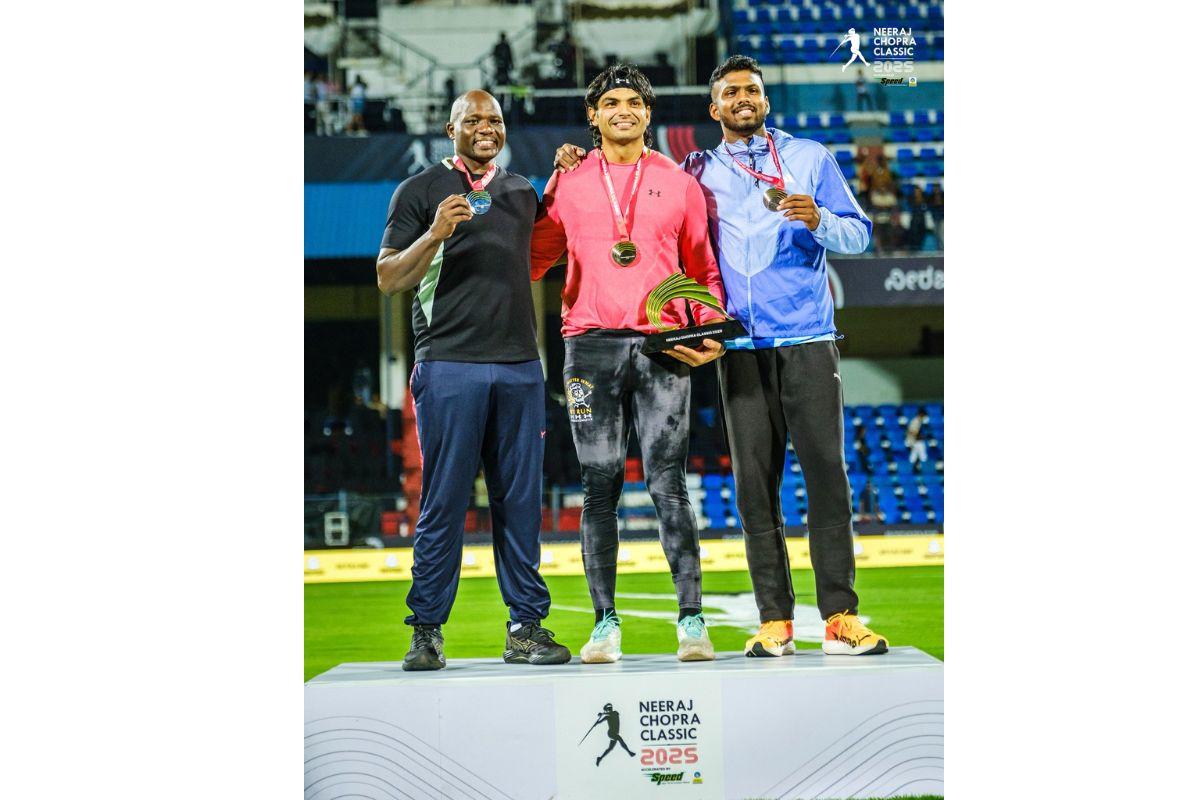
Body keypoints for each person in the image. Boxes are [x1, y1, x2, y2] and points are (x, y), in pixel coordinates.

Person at [557, 55, 890, 657]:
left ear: (765, 100)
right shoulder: (696, 171)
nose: (743, 98)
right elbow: (660, 220)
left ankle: (840, 616)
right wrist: (579, 159)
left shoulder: (811, 158)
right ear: (714, 108)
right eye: (731, 92)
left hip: (807, 338)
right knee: (754, 488)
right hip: (736, 346)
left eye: (751, 90)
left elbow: (860, 232)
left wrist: (820, 220)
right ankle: (775, 620)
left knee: (826, 478)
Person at [531, 64, 726, 664]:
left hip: (663, 345)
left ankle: (691, 621)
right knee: (599, 485)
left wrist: (711, 330)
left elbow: (703, 268)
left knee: (669, 483)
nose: (624, 110)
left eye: (635, 102)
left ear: (648, 113)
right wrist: (549, 183)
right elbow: (534, 260)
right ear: (593, 115)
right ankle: (604, 625)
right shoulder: (568, 183)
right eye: (611, 102)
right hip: (589, 346)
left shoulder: (679, 183)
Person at [376, 89, 571, 671]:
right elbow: (388, 278)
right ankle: (427, 632)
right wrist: (434, 232)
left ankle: (525, 628)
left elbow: (547, 252)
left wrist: (564, 180)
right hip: (449, 363)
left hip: (520, 366)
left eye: (495, 119)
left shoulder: (520, 192)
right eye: (473, 119)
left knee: (520, 504)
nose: (486, 127)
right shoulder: (419, 191)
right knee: (443, 502)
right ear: (451, 128)